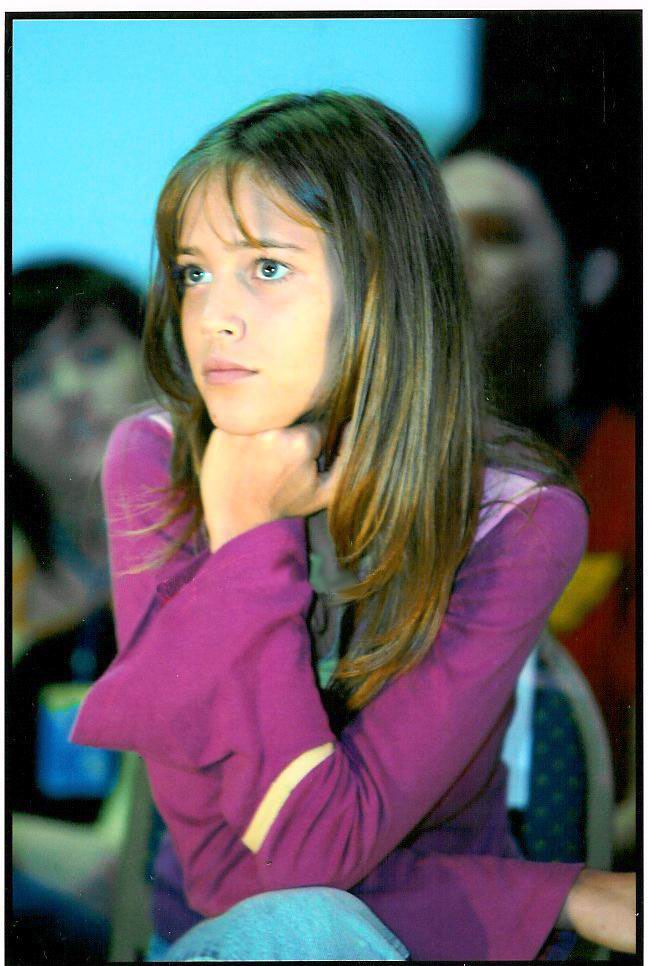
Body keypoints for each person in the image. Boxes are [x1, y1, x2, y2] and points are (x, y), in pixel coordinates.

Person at [71, 93, 636, 961]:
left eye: (266, 268)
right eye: (193, 272)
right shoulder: (155, 461)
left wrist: (247, 533)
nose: (213, 316)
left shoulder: (520, 516)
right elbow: (227, 874)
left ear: (383, 285)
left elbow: (302, 859)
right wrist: (546, 893)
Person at [11, 260, 147, 961]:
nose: (68, 392)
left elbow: (127, 871)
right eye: (29, 377)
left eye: (95, 355)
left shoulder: (242, 561)